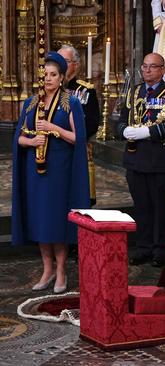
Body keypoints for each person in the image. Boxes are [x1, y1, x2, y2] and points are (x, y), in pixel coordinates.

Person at [12, 51, 90, 294]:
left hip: (59, 172)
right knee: (40, 221)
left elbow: (78, 138)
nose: (47, 79)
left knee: (56, 221)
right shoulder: (31, 102)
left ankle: (61, 271)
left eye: (53, 75)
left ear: (62, 77)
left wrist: (54, 128)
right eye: (45, 74)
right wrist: (31, 141)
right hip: (35, 171)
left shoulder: (71, 102)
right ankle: (47, 270)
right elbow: (19, 138)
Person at [116, 53, 165, 267]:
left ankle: (159, 250)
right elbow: (119, 121)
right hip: (135, 159)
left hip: (159, 160)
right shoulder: (134, 91)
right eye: (145, 67)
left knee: (160, 207)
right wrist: (124, 130)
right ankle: (143, 247)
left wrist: (147, 133)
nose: (147, 71)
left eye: (153, 67)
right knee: (142, 206)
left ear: (163, 70)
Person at [58, 44, 100, 206]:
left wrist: (72, 136)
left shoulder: (86, 90)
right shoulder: (47, 89)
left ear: (75, 65)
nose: (60, 64)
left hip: (77, 149)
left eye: (65, 61)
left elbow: (92, 122)